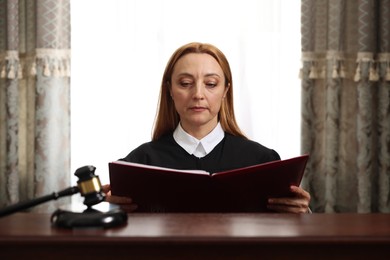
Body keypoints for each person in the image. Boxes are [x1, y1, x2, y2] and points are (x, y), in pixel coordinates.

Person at [103, 42, 311, 213]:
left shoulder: (263, 161)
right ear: (170, 90)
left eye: (210, 84)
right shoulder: (138, 165)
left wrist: (302, 212)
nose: (198, 94)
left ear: (225, 91)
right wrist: (107, 209)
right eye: (185, 83)